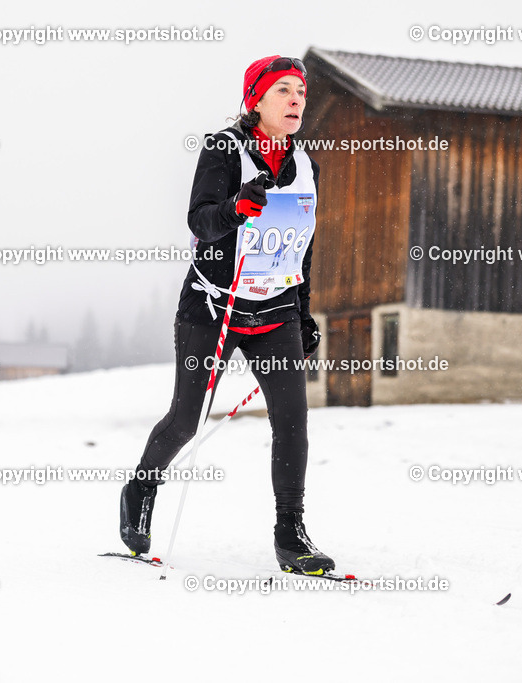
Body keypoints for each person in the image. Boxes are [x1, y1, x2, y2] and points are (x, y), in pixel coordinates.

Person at [119, 56, 332, 574]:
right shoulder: (224, 149)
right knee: (185, 421)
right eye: (282, 90)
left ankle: (291, 533)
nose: (295, 100)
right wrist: (237, 206)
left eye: (300, 93)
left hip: (275, 308)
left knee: (292, 421)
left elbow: (301, 248)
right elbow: (200, 221)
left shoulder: (307, 166)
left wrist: (303, 314)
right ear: (255, 99)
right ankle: (140, 489)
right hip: (213, 305)